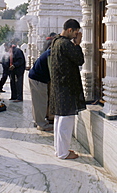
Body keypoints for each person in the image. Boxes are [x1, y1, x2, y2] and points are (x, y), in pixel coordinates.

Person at [50, 19, 86, 159]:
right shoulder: (66, 44)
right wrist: (77, 45)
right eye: (75, 33)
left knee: (60, 119)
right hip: (66, 87)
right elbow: (79, 60)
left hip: (60, 85)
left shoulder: (56, 41)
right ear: (70, 30)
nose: (76, 35)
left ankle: (60, 150)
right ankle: (63, 153)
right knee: (66, 121)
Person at [28, 48, 53, 131]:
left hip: (35, 77)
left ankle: (37, 121)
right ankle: (41, 124)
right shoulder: (51, 54)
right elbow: (51, 72)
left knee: (37, 101)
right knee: (40, 102)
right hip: (38, 79)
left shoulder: (49, 52)